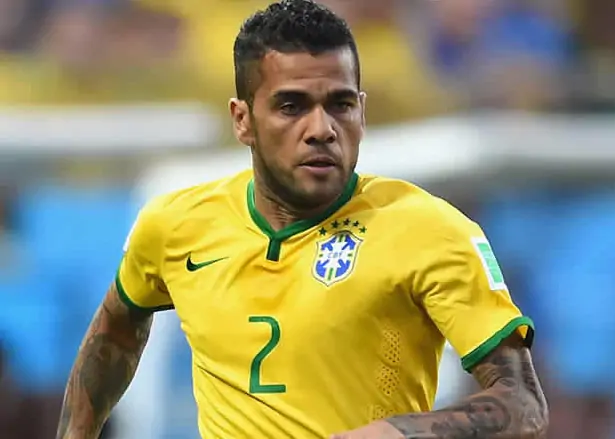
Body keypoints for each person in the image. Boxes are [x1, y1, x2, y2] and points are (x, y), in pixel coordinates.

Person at [55, 1, 548, 438]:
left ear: (362, 111)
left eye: (341, 104)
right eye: (291, 107)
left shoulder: (429, 230)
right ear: (242, 119)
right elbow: (116, 331)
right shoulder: (175, 224)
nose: (321, 129)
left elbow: (523, 407)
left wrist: (403, 432)